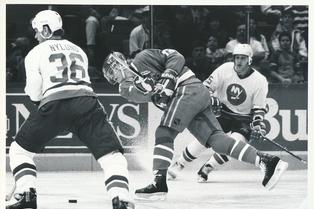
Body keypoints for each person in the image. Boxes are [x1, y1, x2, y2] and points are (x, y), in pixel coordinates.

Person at [102, 47, 288, 201]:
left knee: (164, 133)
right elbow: (140, 94)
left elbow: (176, 55)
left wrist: (169, 75)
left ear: (118, 64)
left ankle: (159, 183)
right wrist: (146, 88)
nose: (114, 78)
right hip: (189, 97)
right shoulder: (124, 88)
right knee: (217, 140)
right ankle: (267, 161)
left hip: (188, 88)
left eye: (113, 72)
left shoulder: (143, 57)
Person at [6, 10, 134, 209]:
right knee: (112, 156)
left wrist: (44, 112)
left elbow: (34, 90)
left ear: (46, 29)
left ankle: (26, 194)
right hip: (87, 102)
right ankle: (121, 198)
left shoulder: (35, 53)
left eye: (37, 31)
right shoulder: (78, 49)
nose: (35, 35)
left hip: (54, 103)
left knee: (19, 151)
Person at [167, 44, 280, 183]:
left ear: (250, 60)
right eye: (237, 58)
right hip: (223, 113)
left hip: (243, 119)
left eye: (243, 58)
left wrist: (257, 125)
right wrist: (211, 99)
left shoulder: (260, 80)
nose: (238, 61)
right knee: (205, 139)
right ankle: (179, 164)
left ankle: (208, 167)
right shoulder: (225, 69)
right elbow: (204, 88)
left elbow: (259, 108)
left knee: (234, 144)